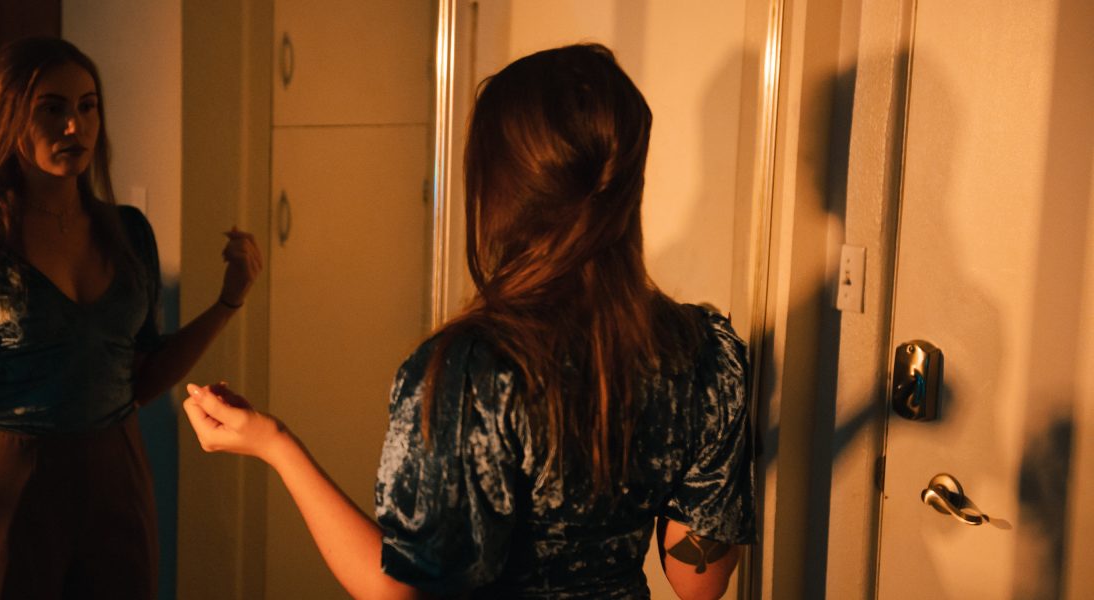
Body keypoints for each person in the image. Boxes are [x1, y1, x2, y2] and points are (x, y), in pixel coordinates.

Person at [182, 43, 755, 599]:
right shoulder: (704, 355)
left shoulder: (473, 372)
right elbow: (698, 582)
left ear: (500, 191)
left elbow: (401, 591)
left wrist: (276, 446)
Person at [0, 37, 262, 599]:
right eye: (52, 108)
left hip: (116, 465)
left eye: (87, 107)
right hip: (16, 468)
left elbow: (142, 378)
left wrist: (228, 301)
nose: (74, 126)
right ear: (11, 117)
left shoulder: (127, 231)